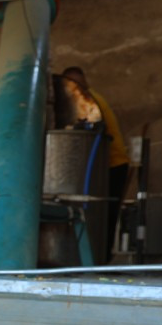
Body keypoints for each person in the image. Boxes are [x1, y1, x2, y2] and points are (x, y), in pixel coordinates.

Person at [62, 66, 129, 257]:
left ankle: (100, 259)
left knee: (104, 216)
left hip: (112, 165)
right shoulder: (89, 99)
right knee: (101, 215)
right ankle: (97, 257)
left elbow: (90, 133)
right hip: (106, 165)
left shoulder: (90, 103)